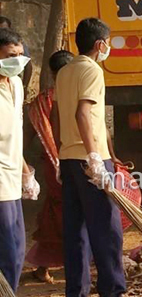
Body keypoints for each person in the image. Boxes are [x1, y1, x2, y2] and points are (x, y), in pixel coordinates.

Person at [54, 18, 126, 297]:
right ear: (100, 44)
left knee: (75, 231)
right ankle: (112, 290)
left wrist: (61, 152)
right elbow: (82, 113)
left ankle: (77, 291)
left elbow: (58, 116)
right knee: (107, 230)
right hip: (90, 159)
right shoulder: (92, 71)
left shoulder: (64, 71)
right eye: (108, 42)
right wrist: (95, 157)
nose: (108, 47)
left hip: (69, 159)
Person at [24, 50, 74, 283]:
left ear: (52, 73)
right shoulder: (76, 94)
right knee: (75, 214)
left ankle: (45, 265)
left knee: (55, 214)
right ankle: (81, 263)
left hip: (54, 169)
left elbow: (26, 135)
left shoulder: (42, 102)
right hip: (76, 164)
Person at [0, 27, 40, 292]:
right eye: (10, 55)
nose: (16, 60)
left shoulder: (15, 84)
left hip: (13, 177)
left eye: (20, 54)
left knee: (16, 247)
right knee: (7, 246)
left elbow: (15, 132)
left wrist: (27, 173)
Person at [0, 16, 33, 98]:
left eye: (21, 54)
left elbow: (28, 66)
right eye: (12, 55)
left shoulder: (17, 84)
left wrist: (24, 87)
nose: (18, 60)